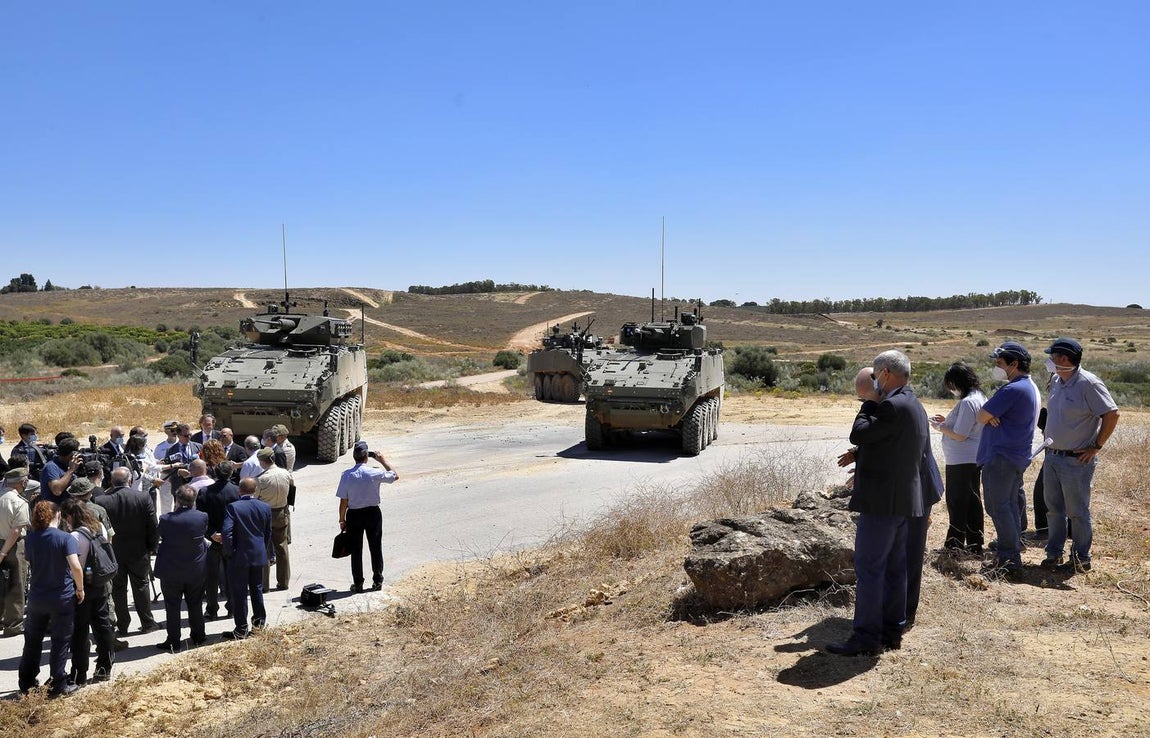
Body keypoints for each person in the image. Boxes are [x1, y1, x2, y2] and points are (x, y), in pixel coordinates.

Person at [827, 351, 929, 656]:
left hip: (882, 504)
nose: (873, 383)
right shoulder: (914, 404)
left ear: (884, 373)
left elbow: (858, 433)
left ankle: (867, 637)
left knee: (870, 569)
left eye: (874, 376)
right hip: (902, 502)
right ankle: (891, 631)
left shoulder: (891, 407)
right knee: (896, 568)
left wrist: (870, 401)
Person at [1041, 337, 1120, 573]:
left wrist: (1096, 445)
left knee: (1077, 512)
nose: (1050, 361)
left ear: (1064, 359)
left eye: (1052, 356)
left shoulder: (1089, 383)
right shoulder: (1056, 380)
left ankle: (1081, 558)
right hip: (1052, 456)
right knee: (1054, 509)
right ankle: (1054, 553)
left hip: (1076, 461)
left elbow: (1112, 414)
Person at [976, 341, 1040, 575]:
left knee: (998, 506)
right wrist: (990, 414)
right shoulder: (1027, 387)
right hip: (1013, 456)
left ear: (1014, 364)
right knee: (1009, 506)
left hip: (1002, 457)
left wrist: (989, 415)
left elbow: (982, 415)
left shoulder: (1013, 389)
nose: (997, 367)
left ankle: (1009, 561)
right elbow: (986, 414)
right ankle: (1011, 550)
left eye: (1000, 363)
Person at [18, 500, 84, 696]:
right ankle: (58, 683)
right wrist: (80, 588)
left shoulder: (31, 538)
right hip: (61, 596)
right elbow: (75, 566)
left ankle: (27, 681)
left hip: (38, 597)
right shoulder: (65, 538)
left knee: (32, 641)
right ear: (57, 515)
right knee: (60, 640)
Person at [930, 362, 988, 554]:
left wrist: (939, 427)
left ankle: (954, 543)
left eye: (951, 385)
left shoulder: (967, 402)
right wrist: (947, 422)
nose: (951, 389)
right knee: (971, 500)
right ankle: (974, 542)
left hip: (961, 459)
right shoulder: (979, 397)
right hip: (972, 457)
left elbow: (961, 434)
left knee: (957, 501)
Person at [95, 467, 159, 634]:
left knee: (118, 589)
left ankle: (123, 626)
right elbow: (153, 525)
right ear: (129, 481)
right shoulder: (143, 497)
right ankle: (147, 623)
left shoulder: (102, 501)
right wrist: (152, 547)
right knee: (141, 585)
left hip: (113, 552)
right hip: (139, 550)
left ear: (111, 482)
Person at [59, 497, 115, 685]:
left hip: (81, 588)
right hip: (99, 583)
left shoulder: (74, 537)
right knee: (102, 627)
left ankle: (78, 674)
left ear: (69, 517)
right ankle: (104, 668)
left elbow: (74, 566)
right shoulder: (99, 527)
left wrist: (79, 588)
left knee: (80, 633)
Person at [336, 441, 399, 593]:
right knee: (375, 547)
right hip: (373, 514)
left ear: (354, 457)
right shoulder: (374, 472)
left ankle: (358, 584)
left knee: (356, 550)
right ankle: (377, 581)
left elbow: (343, 501)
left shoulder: (346, 475)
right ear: (366, 457)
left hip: (354, 515)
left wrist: (342, 519)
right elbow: (395, 476)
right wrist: (382, 460)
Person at [153, 486, 209, 651]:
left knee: (172, 606)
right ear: (194, 501)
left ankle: (173, 640)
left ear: (177, 500)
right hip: (195, 569)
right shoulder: (202, 517)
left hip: (172, 570)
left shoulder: (166, 519)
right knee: (195, 603)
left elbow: (160, 534)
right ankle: (199, 636)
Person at [219, 477, 274, 640]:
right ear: (255, 490)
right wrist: (263, 550)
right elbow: (268, 532)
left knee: (239, 592)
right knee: (256, 589)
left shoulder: (233, 507)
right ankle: (258, 626)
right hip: (258, 555)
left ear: (239, 491)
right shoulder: (265, 507)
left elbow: (227, 532)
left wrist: (229, 551)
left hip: (239, 557)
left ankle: (241, 629)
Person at [196, 461, 240, 620]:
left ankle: (212, 609)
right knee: (232, 574)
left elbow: (201, 518)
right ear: (231, 474)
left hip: (213, 540)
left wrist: (212, 533)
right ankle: (232, 607)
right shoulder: (237, 491)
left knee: (212, 576)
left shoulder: (204, 492)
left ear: (214, 473)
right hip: (232, 539)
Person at [253, 447, 293, 592]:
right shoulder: (286, 474)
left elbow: (255, 498)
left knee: (263, 549)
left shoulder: (260, 479)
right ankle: (284, 582)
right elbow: (292, 490)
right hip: (282, 512)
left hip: (265, 515)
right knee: (282, 548)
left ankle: (264, 585)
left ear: (263, 461)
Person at [1, 467, 33, 637]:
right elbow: (16, 531)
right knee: (16, 583)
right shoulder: (19, 502)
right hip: (13, 546)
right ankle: (13, 624)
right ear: (22, 483)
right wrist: (4, 552)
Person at [40, 436, 82, 503]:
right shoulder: (51, 467)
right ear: (72, 454)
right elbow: (57, 490)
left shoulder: (68, 465)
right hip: (53, 510)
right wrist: (71, 470)